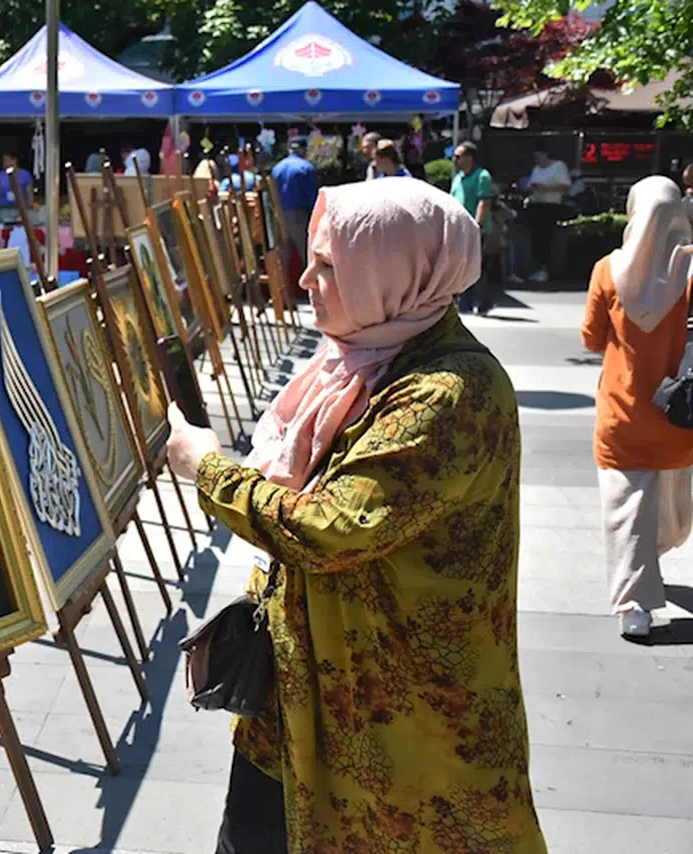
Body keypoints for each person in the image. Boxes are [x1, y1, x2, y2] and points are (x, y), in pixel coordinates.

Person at [165, 179, 547, 854]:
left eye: (329, 266)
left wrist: (209, 470)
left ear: (392, 275)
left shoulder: (447, 394)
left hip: (403, 719)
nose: (303, 279)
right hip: (301, 695)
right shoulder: (360, 360)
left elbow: (328, 529)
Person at [582, 176, 693, 638]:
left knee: (626, 510)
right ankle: (654, 558)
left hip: (622, 412)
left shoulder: (608, 270)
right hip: (680, 417)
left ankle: (634, 607)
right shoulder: (691, 271)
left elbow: (592, 339)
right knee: (672, 508)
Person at [450, 142, 496, 315]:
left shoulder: (482, 176)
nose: (454, 160)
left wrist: (477, 225)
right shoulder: (458, 178)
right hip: (459, 228)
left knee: (476, 266)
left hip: (475, 228)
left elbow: (483, 201)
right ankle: (465, 303)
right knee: (462, 266)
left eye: (458, 156)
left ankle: (485, 302)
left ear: (470, 157)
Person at [523, 141, 571, 283]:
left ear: (545, 155)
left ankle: (545, 269)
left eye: (539, 156)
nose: (537, 160)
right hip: (536, 205)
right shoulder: (536, 169)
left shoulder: (559, 166)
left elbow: (565, 186)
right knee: (536, 238)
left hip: (551, 205)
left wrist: (546, 187)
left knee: (546, 237)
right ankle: (537, 267)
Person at [270, 139, 319, 266]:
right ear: (303, 150)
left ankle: (283, 278)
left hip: (279, 215)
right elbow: (313, 197)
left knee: (283, 254)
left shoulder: (276, 168)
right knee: (307, 253)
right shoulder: (306, 167)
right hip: (300, 216)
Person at [0, 152, 33, 224]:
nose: (5, 163)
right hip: (3, 209)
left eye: (7, 160)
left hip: (20, 209)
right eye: (4, 161)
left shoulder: (25, 174)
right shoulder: (1, 175)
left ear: (14, 160)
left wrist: (30, 208)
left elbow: (29, 193)